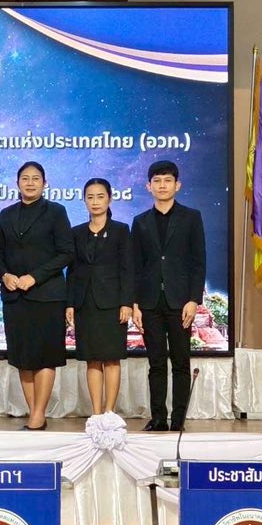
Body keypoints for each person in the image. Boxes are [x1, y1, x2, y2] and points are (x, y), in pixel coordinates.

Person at [0, 161, 73, 431]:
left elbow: (66, 253)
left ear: (44, 183)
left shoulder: (56, 212)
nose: (30, 183)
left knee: (45, 356)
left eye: (35, 178)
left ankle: (38, 415)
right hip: (15, 298)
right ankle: (34, 413)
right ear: (17, 183)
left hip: (47, 296)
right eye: (25, 178)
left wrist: (34, 277)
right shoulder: (6, 214)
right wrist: (5, 275)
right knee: (23, 358)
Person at [131, 160, 206, 432]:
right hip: (150, 302)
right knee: (156, 363)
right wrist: (135, 303)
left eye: (167, 180)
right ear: (148, 186)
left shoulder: (191, 217)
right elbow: (135, 265)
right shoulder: (140, 222)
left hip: (180, 302)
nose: (162, 185)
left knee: (181, 363)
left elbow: (198, 261)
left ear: (177, 185)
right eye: (157, 181)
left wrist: (193, 299)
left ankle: (178, 420)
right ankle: (159, 418)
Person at [66, 178, 134, 416]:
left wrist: (127, 302)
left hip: (112, 304)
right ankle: (96, 413)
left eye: (100, 196)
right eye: (90, 197)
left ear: (110, 199)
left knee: (112, 359)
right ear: (84, 200)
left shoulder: (121, 231)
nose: (95, 202)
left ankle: (109, 413)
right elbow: (72, 271)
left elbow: (128, 269)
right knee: (92, 359)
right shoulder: (76, 233)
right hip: (85, 303)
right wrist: (70, 304)